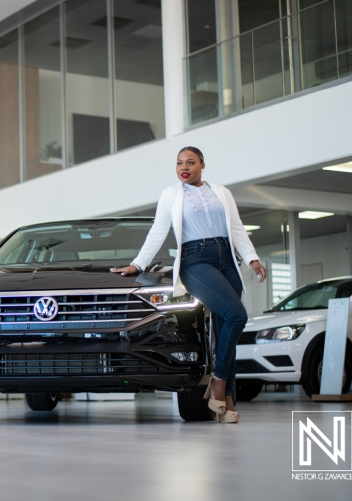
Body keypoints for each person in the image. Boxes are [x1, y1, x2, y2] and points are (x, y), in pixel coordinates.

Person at [111, 147, 266, 423]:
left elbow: (237, 228)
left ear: (202, 165)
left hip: (227, 259)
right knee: (237, 315)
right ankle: (218, 384)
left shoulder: (221, 192)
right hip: (195, 261)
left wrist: (252, 259)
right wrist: (138, 264)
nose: (184, 167)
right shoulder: (171, 194)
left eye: (190, 162)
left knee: (223, 331)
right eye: (180, 163)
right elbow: (158, 230)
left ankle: (226, 404)